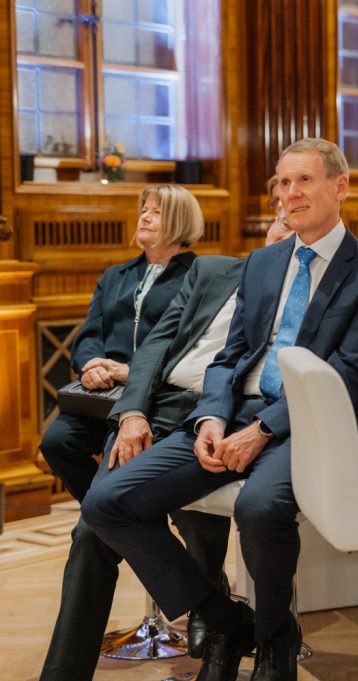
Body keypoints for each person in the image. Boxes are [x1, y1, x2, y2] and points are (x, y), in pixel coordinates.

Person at [81, 138, 358, 681]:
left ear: (340, 187)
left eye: (304, 180)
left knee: (258, 508)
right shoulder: (263, 262)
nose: (290, 193)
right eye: (283, 182)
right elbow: (230, 356)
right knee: (107, 502)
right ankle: (223, 618)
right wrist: (211, 417)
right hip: (232, 415)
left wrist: (261, 431)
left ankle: (275, 637)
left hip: (314, 423)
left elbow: (347, 375)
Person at [39, 184, 297, 681]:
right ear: (268, 228)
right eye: (281, 223)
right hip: (158, 407)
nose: (287, 236)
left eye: (299, 231)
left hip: (221, 417)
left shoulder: (305, 294)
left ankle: (221, 620)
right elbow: (156, 348)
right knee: (92, 526)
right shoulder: (214, 271)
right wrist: (132, 413)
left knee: (94, 529)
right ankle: (221, 617)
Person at [38, 186, 200, 502]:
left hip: (158, 395)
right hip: (106, 395)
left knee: (118, 469)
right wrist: (91, 366)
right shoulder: (116, 275)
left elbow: (190, 343)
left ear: (181, 220)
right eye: (144, 210)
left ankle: (107, 516)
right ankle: (110, 515)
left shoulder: (198, 275)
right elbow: (90, 333)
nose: (145, 217)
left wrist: (133, 372)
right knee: (57, 442)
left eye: (157, 212)